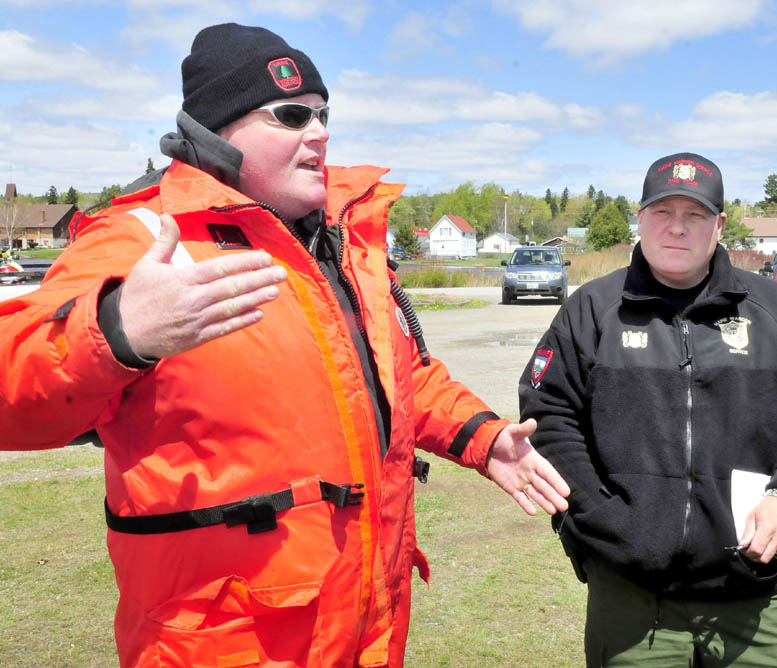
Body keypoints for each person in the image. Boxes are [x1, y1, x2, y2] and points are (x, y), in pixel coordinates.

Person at [0, 23, 569, 668]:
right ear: (216, 130)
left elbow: (400, 374)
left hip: (365, 625)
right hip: (224, 645)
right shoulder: (143, 240)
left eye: (325, 115)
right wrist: (118, 330)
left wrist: (483, 438)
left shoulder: (343, 243)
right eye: (292, 115)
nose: (321, 132)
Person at [519, 152, 777, 667]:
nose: (677, 228)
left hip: (757, 595)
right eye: (662, 212)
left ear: (719, 225)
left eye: (694, 215)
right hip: (631, 599)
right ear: (640, 218)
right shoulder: (592, 309)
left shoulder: (776, 310)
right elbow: (549, 417)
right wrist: (601, 516)